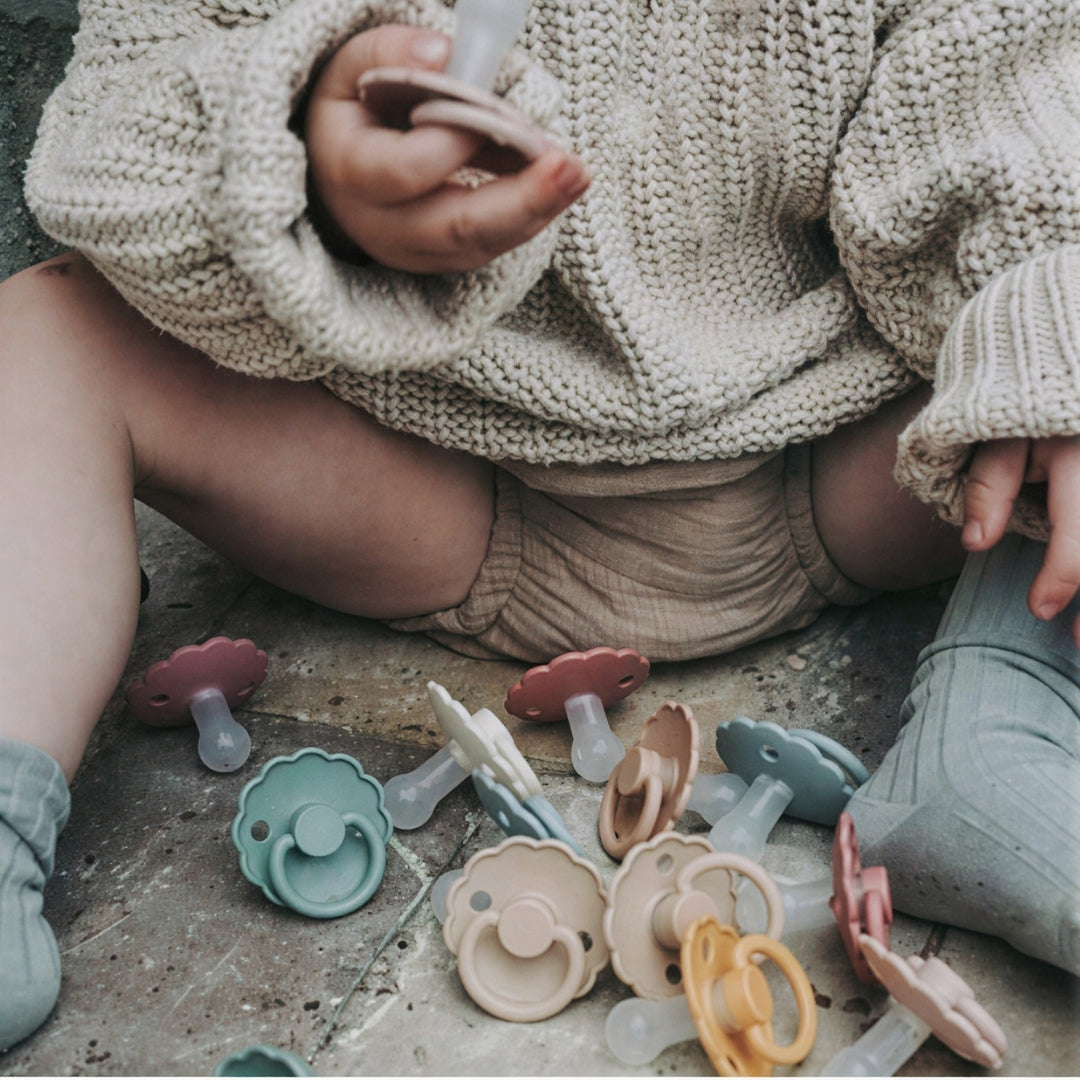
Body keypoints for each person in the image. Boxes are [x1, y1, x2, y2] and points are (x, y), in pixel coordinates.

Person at [2, 0, 1077, 1050]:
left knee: (1068, 312)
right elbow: (121, 126)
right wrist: (289, 155)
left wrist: (1043, 307)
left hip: (863, 450)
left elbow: (1009, 64)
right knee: (44, 338)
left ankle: (996, 717)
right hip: (431, 482)